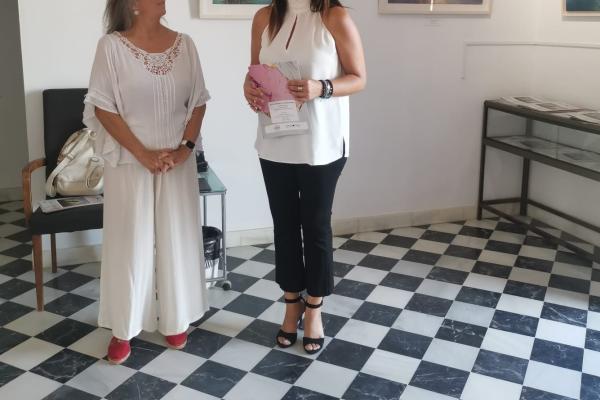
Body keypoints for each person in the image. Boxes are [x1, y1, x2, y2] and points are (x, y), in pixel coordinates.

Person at [84, 0, 211, 364]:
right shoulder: (111, 46)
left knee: (177, 236)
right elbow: (103, 107)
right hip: (129, 161)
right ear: (132, 3)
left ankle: (175, 317)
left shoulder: (185, 44)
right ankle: (123, 328)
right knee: (130, 242)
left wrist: (185, 150)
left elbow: (198, 101)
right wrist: (142, 153)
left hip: (176, 162)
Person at [243, 0, 366, 354]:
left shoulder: (334, 16)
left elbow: (359, 78)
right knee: (284, 227)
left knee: (315, 227)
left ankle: (314, 308)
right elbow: (254, 73)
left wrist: (320, 88)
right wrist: (249, 89)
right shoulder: (264, 17)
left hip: (321, 146)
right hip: (274, 141)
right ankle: (290, 303)